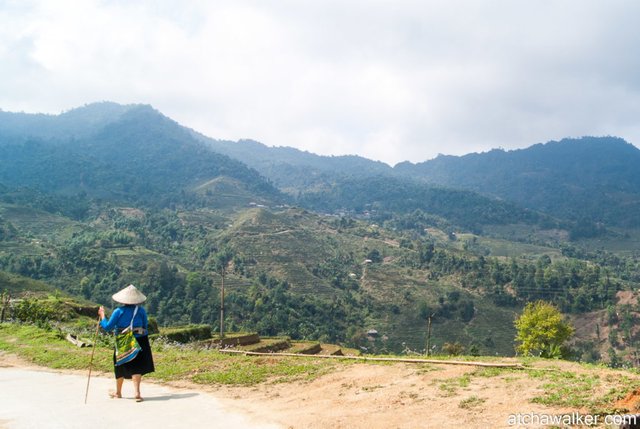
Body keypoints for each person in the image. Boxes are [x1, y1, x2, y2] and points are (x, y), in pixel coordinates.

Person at [98, 284, 155, 402]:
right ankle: (137, 393)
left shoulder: (118, 311)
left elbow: (108, 327)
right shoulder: (141, 311)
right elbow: (145, 326)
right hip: (139, 340)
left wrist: (102, 316)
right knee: (137, 366)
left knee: (120, 364)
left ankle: (118, 392)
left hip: (123, 341)